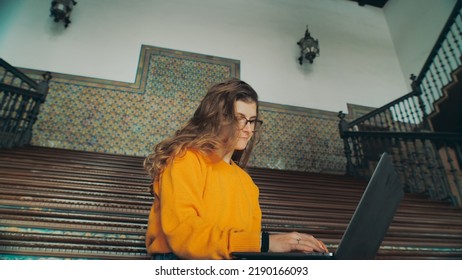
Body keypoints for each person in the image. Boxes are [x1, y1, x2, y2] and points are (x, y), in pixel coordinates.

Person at [144, 78, 328, 260]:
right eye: (239, 119)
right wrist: (267, 243)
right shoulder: (184, 159)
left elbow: (246, 246)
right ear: (216, 118)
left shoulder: (247, 183)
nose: (248, 129)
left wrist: (292, 248)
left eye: (252, 121)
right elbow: (184, 236)